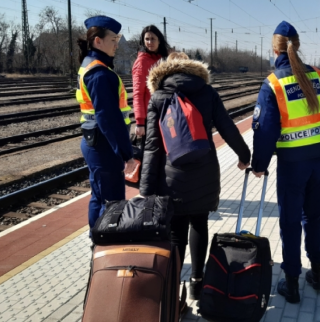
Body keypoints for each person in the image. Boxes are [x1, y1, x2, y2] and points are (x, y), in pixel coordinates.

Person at [139, 52, 251, 300]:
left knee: (177, 231)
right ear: (193, 67)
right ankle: (197, 284)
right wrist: (245, 155)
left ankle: (173, 288)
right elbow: (227, 127)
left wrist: (145, 190)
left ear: (166, 69)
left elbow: (152, 146)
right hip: (205, 169)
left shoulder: (158, 97)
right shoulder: (207, 92)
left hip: (171, 175)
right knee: (199, 224)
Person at [251, 21, 320, 304]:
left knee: (290, 221)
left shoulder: (274, 83)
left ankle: (291, 283)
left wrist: (259, 164)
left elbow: (266, 130)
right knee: (312, 216)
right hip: (319, 162)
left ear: (274, 48)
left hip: (292, 165)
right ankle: (317, 274)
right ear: (298, 44)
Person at [76, 16, 136, 233]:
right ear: (98, 41)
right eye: (113, 39)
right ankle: (106, 247)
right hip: (105, 145)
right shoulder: (100, 73)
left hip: (95, 142)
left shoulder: (90, 66)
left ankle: (97, 242)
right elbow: (109, 118)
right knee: (112, 203)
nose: (116, 44)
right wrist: (126, 153)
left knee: (99, 197)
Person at [132, 25, 170, 137]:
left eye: (153, 39)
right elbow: (138, 93)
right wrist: (139, 122)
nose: (149, 42)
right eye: (147, 39)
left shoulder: (164, 59)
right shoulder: (141, 62)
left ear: (159, 40)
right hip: (151, 116)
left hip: (166, 113)